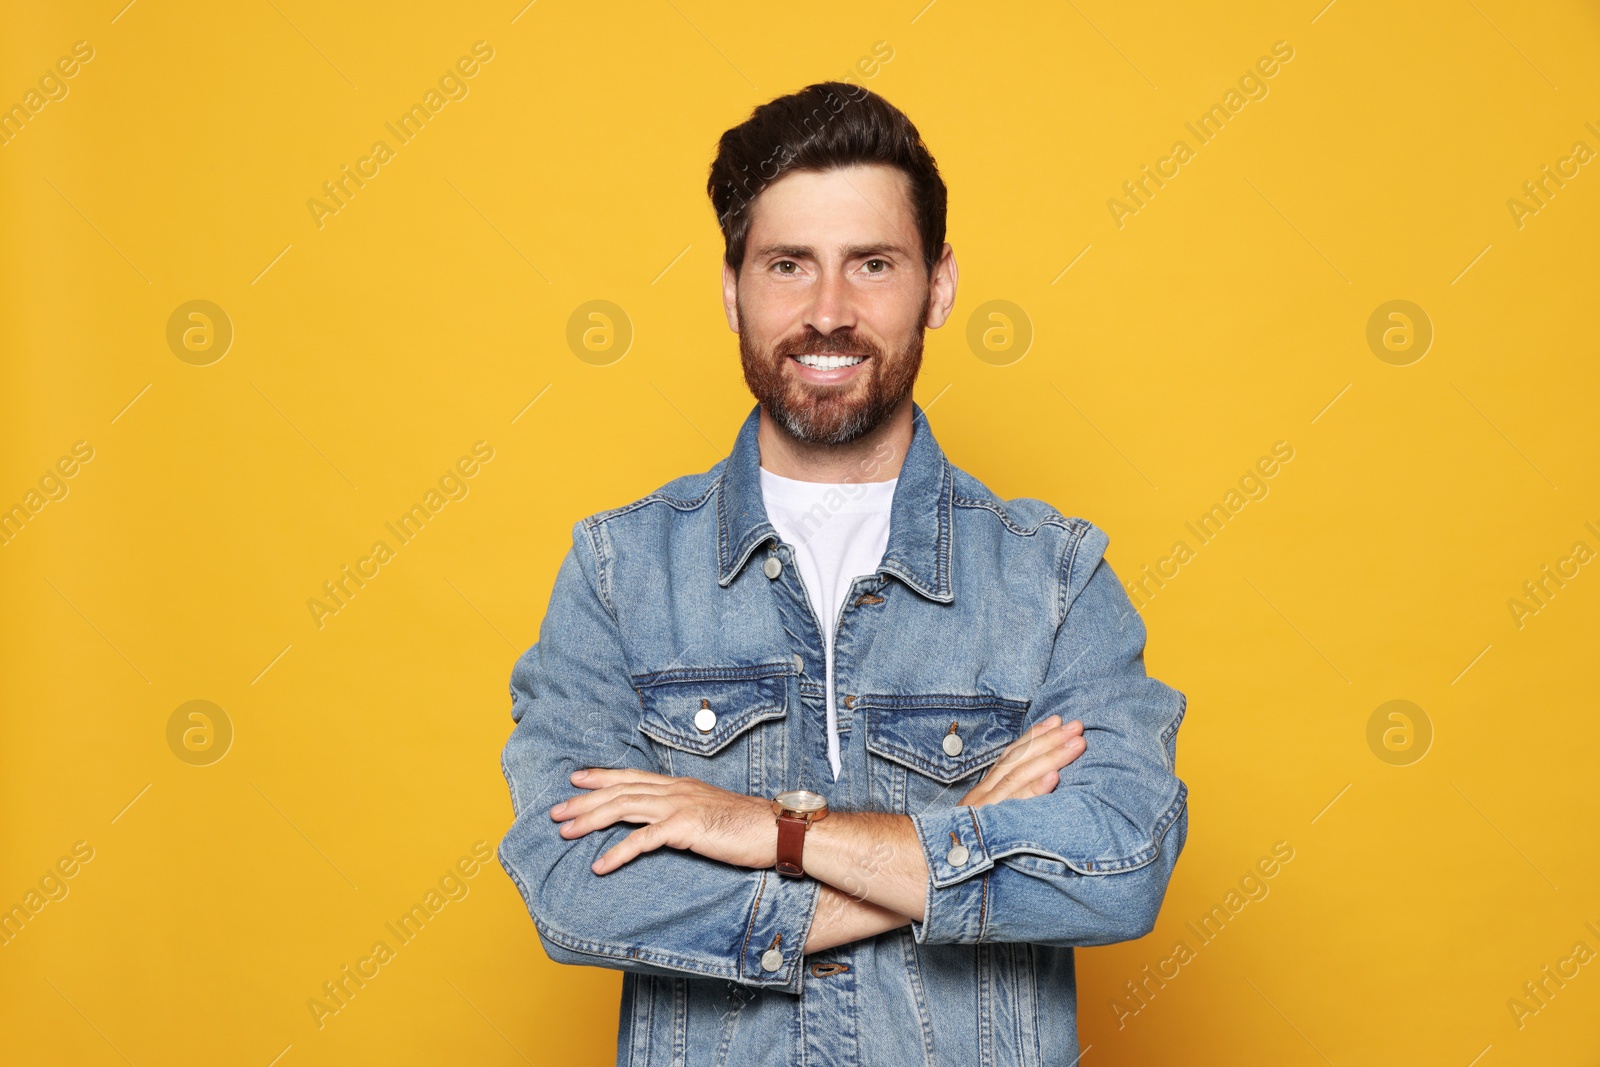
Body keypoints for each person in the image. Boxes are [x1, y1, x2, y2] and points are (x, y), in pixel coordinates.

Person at [496, 80, 1189, 1066]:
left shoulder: (1054, 576)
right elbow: (576, 887)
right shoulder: (618, 571)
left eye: (871, 263)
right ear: (732, 286)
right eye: (788, 265)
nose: (829, 313)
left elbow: (1118, 864)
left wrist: (767, 832)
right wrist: (955, 835)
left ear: (938, 284)